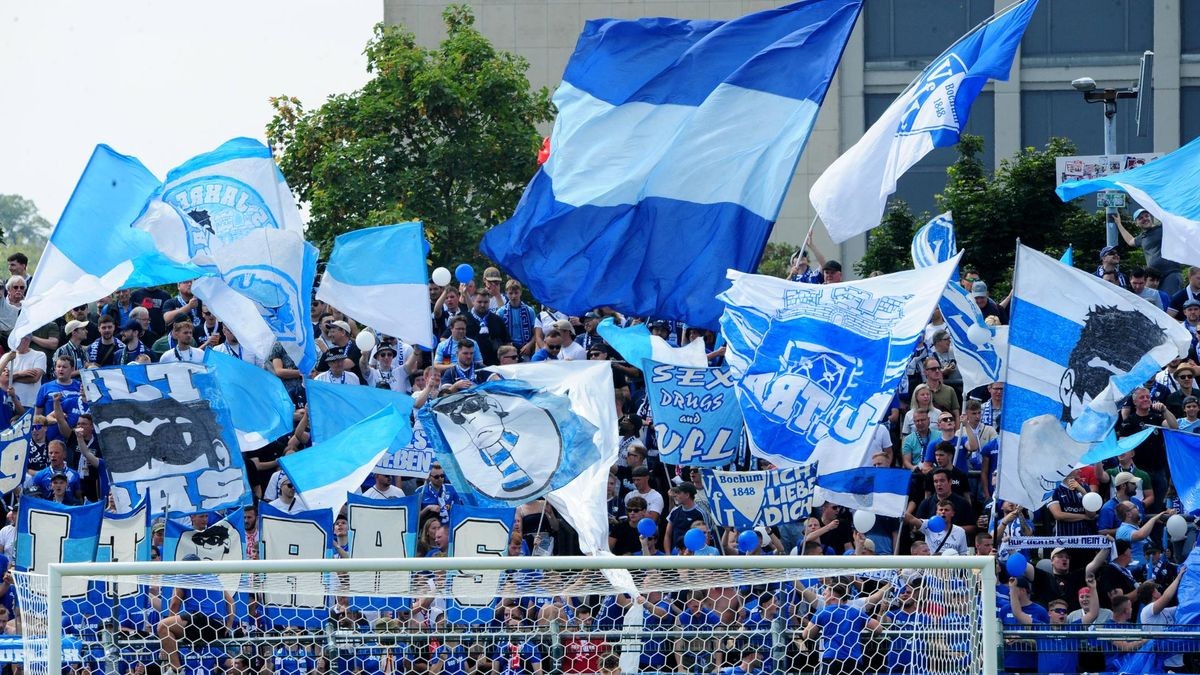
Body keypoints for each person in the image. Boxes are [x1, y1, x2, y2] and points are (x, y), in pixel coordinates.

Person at [156, 555, 236, 675]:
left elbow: (175, 603)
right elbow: (231, 601)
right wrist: (228, 626)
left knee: (163, 627)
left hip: (201, 622)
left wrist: (170, 623)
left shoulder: (185, 575)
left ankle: (176, 670)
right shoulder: (212, 577)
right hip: (219, 627)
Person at [802, 582, 880, 675]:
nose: (823, 595)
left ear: (832, 597)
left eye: (825, 593)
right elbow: (878, 628)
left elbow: (806, 635)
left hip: (832, 659)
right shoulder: (855, 612)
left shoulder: (823, 612)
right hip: (854, 661)